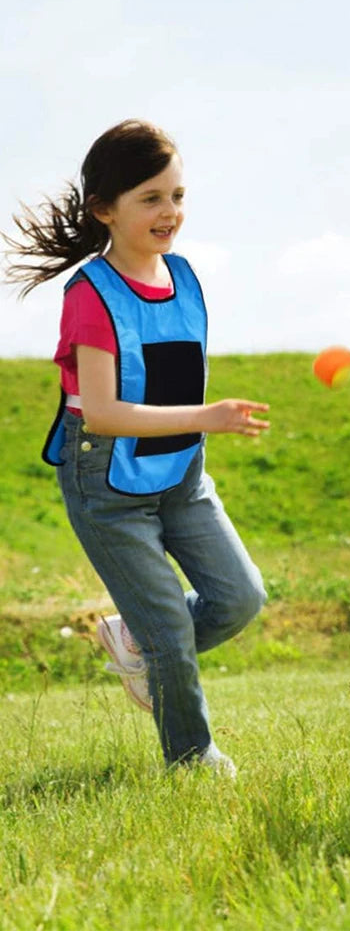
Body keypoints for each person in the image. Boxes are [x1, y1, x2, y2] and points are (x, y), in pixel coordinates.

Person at [3, 120, 270, 777]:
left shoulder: (185, 278)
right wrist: (210, 414)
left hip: (182, 476)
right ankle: (191, 759)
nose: (169, 212)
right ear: (105, 209)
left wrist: (200, 426)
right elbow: (101, 411)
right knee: (172, 635)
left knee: (240, 597)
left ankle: (136, 638)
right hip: (107, 487)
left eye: (177, 196)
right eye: (151, 198)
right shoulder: (91, 296)